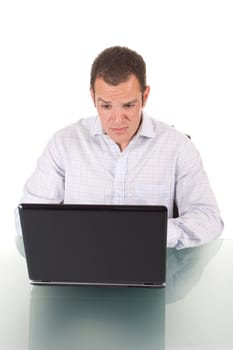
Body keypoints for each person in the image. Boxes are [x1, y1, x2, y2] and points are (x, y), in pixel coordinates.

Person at [15, 46, 223, 249]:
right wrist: (76, 232)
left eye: (128, 105)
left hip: (153, 266)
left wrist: (154, 232)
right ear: (92, 97)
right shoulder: (64, 144)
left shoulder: (178, 147)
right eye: (105, 106)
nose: (116, 119)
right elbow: (23, 220)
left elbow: (209, 219)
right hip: (79, 263)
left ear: (145, 96)